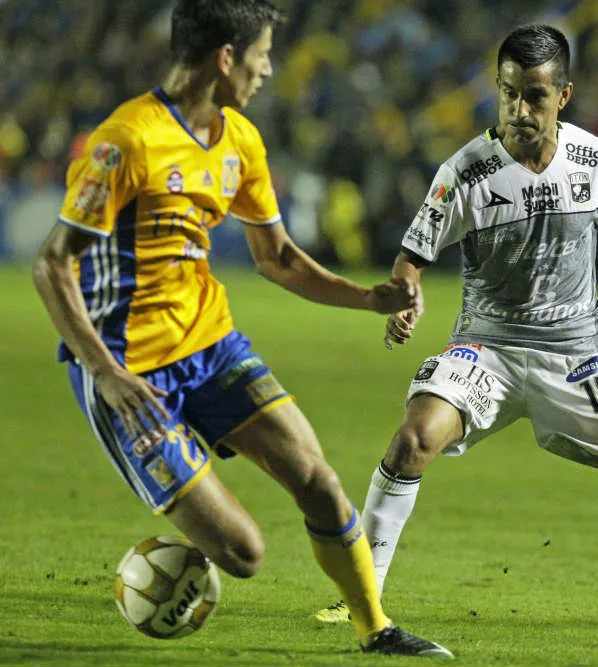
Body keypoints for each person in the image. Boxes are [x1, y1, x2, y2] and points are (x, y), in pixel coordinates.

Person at [31, 0, 452, 658]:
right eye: (261, 55)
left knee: (318, 478)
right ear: (226, 58)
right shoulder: (126, 140)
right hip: (129, 372)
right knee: (243, 552)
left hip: (211, 344)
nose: (268, 69)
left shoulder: (240, 140)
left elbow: (278, 258)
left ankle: (377, 628)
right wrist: (105, 373)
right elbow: (52, 265)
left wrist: (371, 299)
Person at [314, 24, 598, 633]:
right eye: (508, 93)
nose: (518, 109)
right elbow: (414, 252)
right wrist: (406, 297)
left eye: (534, 96)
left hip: (576, 353)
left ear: (563, 94)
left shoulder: (596, 159)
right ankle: (361, 592)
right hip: (487, 349)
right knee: (412, 440)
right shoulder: (465, 172)